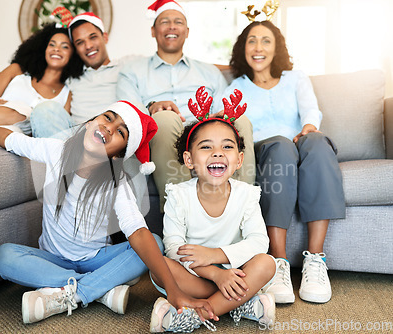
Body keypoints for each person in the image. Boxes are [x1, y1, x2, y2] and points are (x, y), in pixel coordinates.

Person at [0, 101, 218, 325]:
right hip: (51, 259)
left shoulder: (117, 181)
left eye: (119, 132)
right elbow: (11, 140)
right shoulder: (57, 151)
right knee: (3, 256)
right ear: (91, 121)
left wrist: (174, 291)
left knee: (154, 243)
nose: (108, 128)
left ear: (118, 155)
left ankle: (76, 293)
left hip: (95, 258)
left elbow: (137, 231)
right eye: (107, 118)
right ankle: (100, 290)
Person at [225, 20, 346, 304]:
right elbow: (211, 113)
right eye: (252, 40)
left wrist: (307, 128)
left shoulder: (295, 78)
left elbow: (310, 110)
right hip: (269, 150)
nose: (258, 47)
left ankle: (315, 261)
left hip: (300, 142)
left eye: (266, 40)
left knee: (317, 141)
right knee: (280, 145)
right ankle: (277, 262)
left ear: (277, 47)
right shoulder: (236, 87)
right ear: (243, 48)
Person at [149, 88, 276, 333]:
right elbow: (174, 248)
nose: (217, 152)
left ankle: (196, 314)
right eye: (206, 147)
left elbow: (259, 242)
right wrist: (215, 275)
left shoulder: (246, 195)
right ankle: (238, 303)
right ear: (189, 160)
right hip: (199, 276)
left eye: (227, 147)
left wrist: (215, 254)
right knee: (160, 267)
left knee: (266, 264)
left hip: (236, 272)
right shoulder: (178, 195)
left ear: (239, 160)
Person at [116, 0, 256, 213]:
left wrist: (220, 117)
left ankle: (246, 211)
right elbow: (126, 113)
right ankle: (179, 214)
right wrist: (152, 107)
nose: (172, 26)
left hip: (204, 133)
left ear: (187, 31)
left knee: (240, 120)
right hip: (160, 133)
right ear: (153, 31)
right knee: (165, 117)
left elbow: (223, 110)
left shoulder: (209, 72)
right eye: (165, 21)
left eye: (178, 22)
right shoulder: (131, 71)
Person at [0, 12, 135, 139]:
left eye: (93, 37)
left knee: (12, 129)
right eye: (80, 42)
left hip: (110, 133)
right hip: (73, 136)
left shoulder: (128, 65)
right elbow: (42, 73)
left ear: (104, 37)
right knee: (44, 110)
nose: (88, 46)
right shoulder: (74, 78)